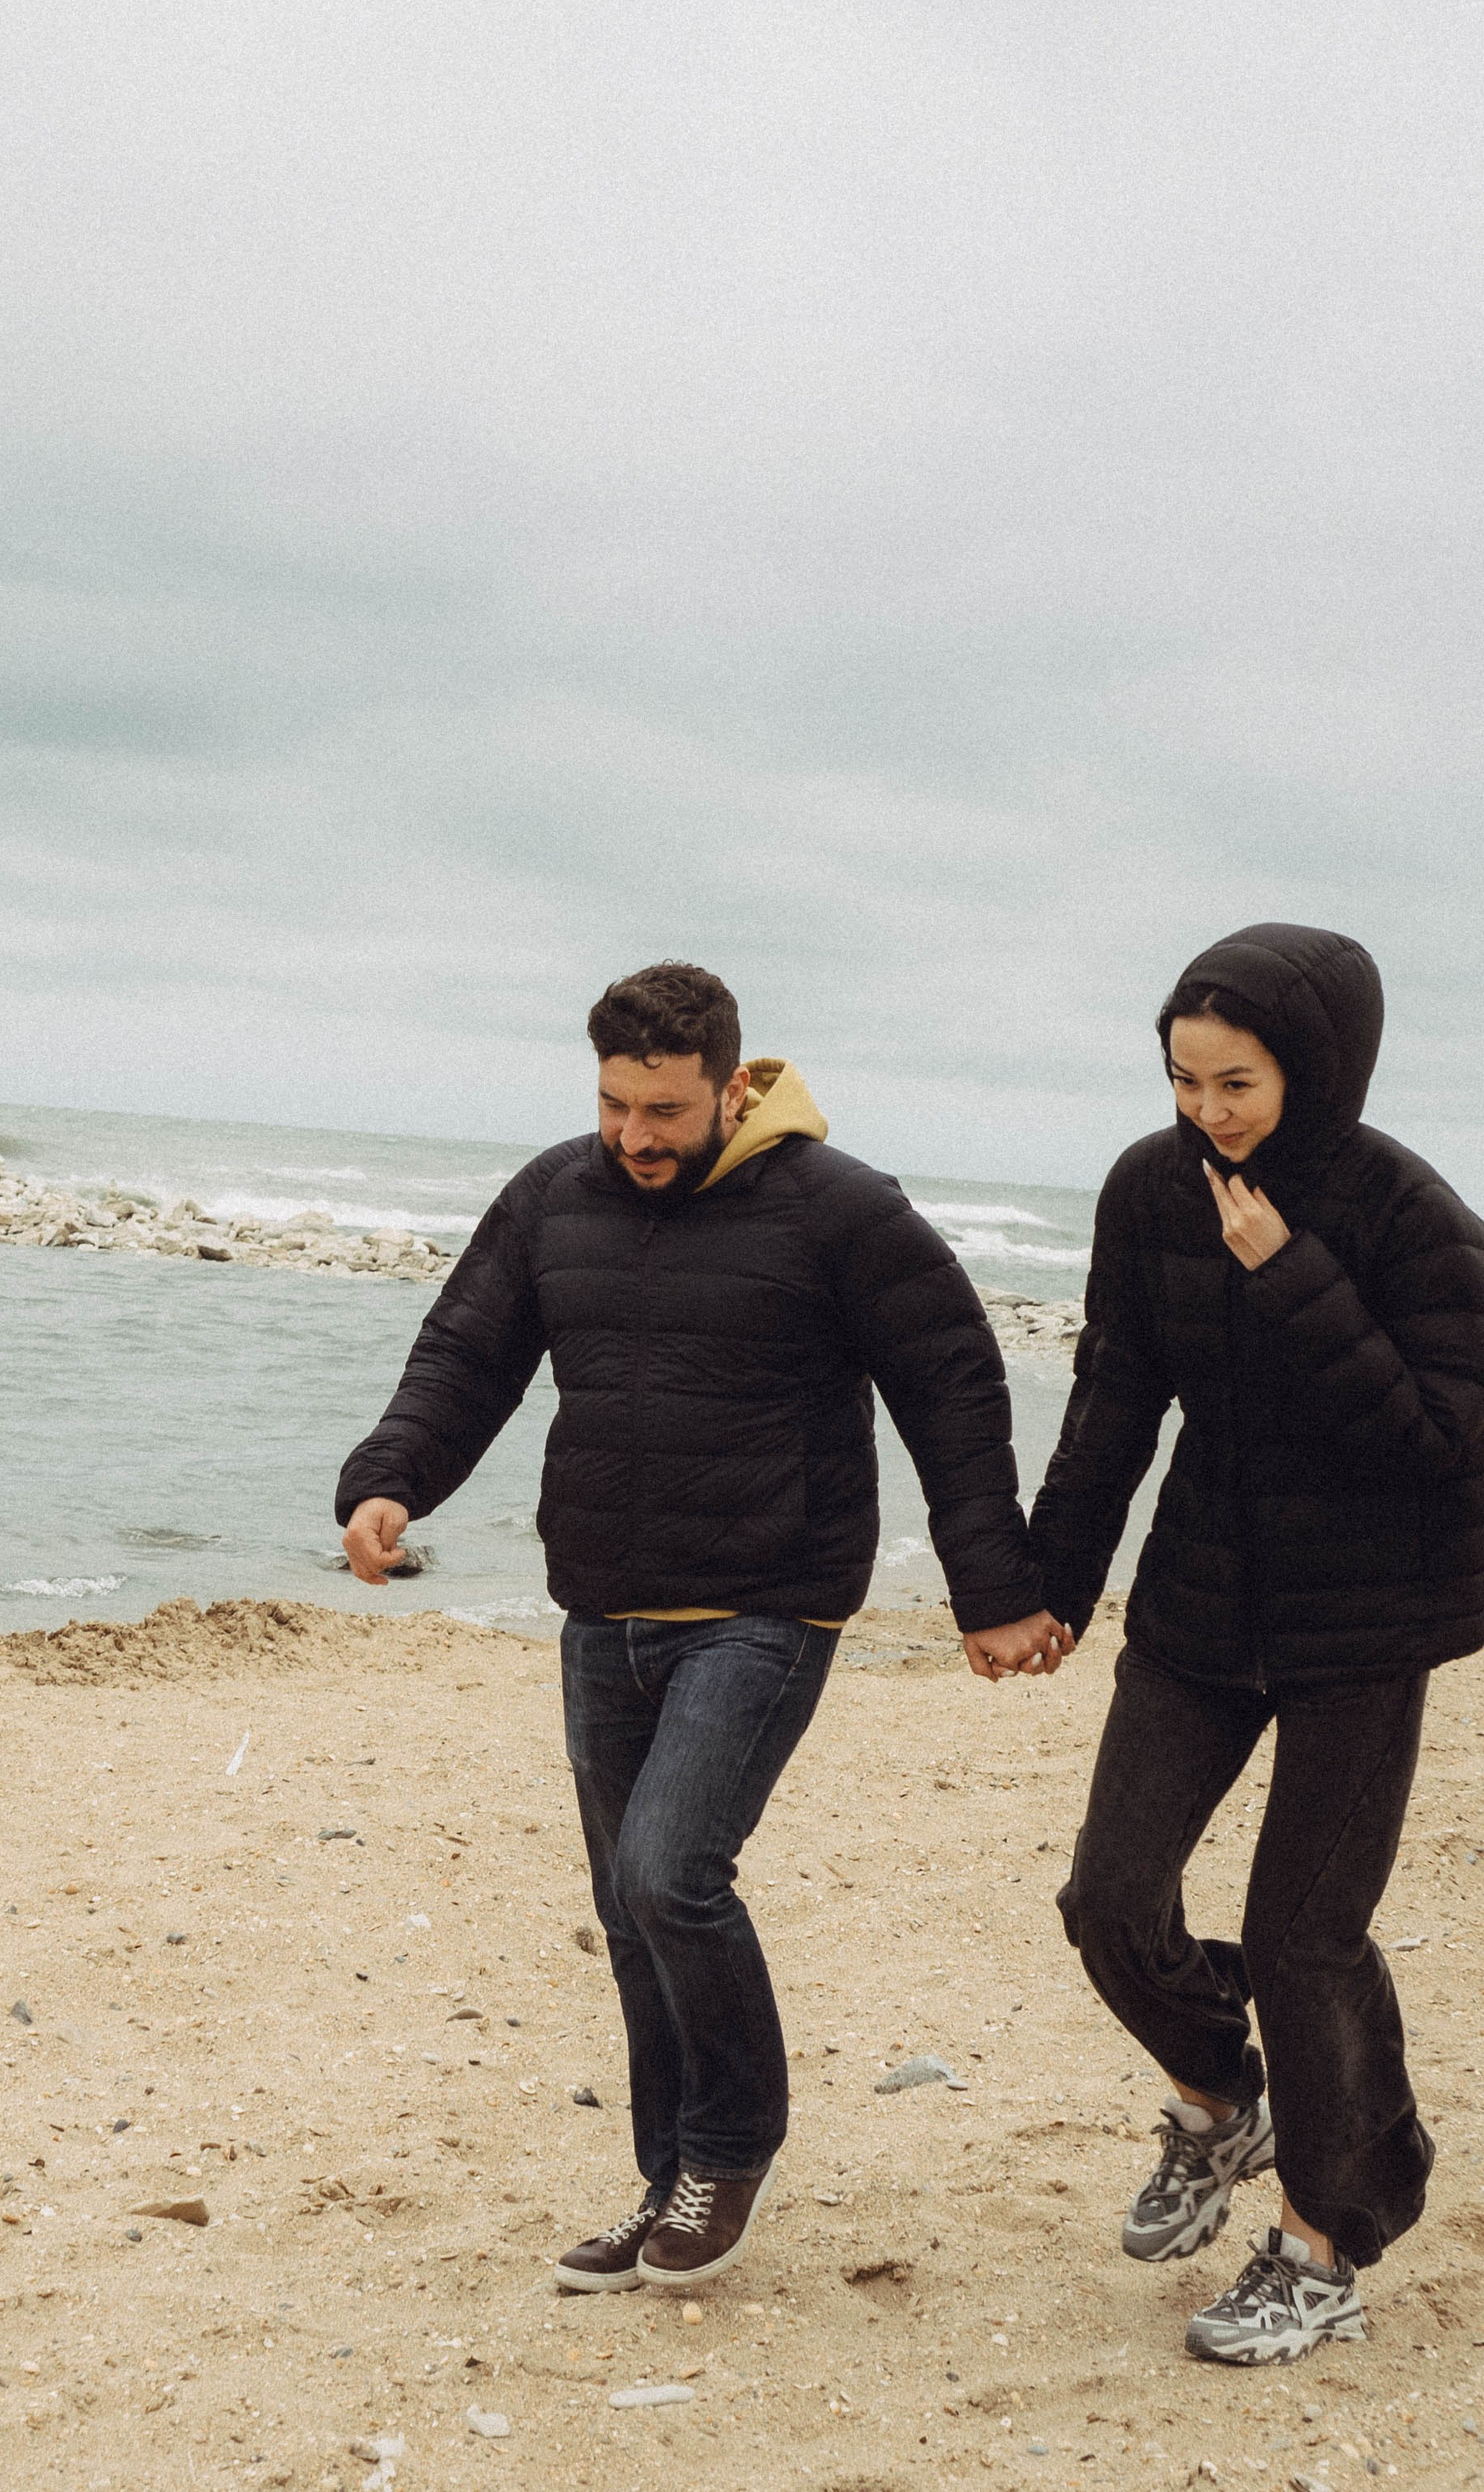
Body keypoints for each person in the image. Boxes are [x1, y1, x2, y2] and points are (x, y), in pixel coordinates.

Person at [336, 960, 1069, 2296]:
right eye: (615, 1104)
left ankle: (727, 2152)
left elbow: (951, 1381)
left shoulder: (840, 1212)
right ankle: (662, 2175)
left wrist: (995, 1590)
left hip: (767, 1601)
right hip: (603, 1609)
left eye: (664, 1110)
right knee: (629, 1911)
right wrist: (390, 1480)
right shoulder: (558, 1194)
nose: (635, 1137)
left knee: (672, 1873)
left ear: (734, 1086)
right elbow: (467, 1350)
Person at [1031, 922, 1484, 2363]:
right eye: (1184, 1080)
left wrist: (1292, 1274)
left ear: (1318, 1067)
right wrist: (1050, 1586)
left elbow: (1443, 1445)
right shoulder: (1152, 1191)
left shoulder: (1409, 1214)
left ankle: (1327, 2240)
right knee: (1110, 1899)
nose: (1207, 1113)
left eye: (1237, 1083)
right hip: (1199, 1607)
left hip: (1369, 1623)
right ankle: (1228, 2103)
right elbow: (1112, 1402)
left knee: (1307, 1936)